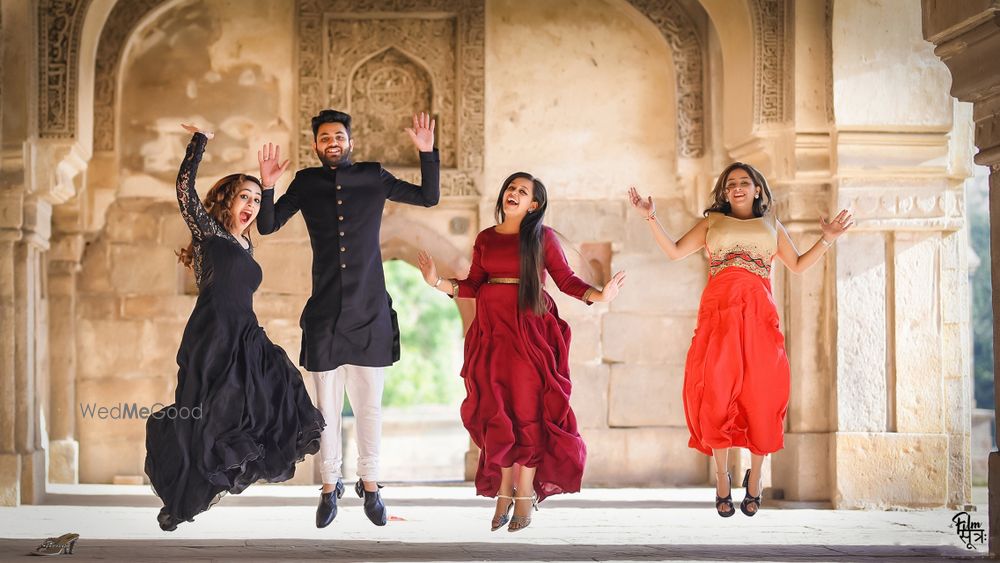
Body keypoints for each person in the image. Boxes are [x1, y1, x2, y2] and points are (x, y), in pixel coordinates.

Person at [627, 162, 854, 517]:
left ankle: (757, 477)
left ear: (757, 189)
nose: (736, 187)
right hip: (719, 317)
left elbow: (797, 264)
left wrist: (827, 239)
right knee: (717, 394)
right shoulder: (711, 223)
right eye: (730, 183)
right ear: (724, 191)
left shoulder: (771, 225)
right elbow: (673, 251)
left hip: (760, 319)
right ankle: (721, 477)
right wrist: (650, 217)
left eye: (744, 182)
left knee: (762, 397)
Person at [256, 110, 439, 527]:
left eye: (339, 135)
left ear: (350, 141)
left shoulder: (373, 177)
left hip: (369, 311)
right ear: (316, 145)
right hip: (323, 314)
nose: (332, 142)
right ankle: (329, 485)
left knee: (369, 407)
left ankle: (370, 483)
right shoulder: (305, 183)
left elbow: (428, 197)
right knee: (326, 409)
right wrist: (268, 186)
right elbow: (267, 225)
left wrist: (427, 153)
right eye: (324, 138)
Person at [417, 172, 626, 532]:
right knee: (496, 410)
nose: (513, 193)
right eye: (510, 188)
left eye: (522, 191)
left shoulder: (541, 238)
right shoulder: (485, 238)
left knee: (528, 412)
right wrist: (437, 282)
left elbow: (566, 281)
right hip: (492, 334)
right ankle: (502, 491)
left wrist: (599, 295)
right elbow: (473, 285)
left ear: (535, 205)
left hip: (530, 334)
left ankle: (525, 493)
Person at [145, 124, 325, 531]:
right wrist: (200, 141)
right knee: (204, 419)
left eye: (257, 199)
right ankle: (181, 499)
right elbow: (184, 190)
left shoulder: (248, 246)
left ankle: (201, 486)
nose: (252, 204)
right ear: (227, 200)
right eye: (245, 196)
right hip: (211, 338)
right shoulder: (209, 235)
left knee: (283, 387)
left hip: (245, 335)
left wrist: (269, 185)